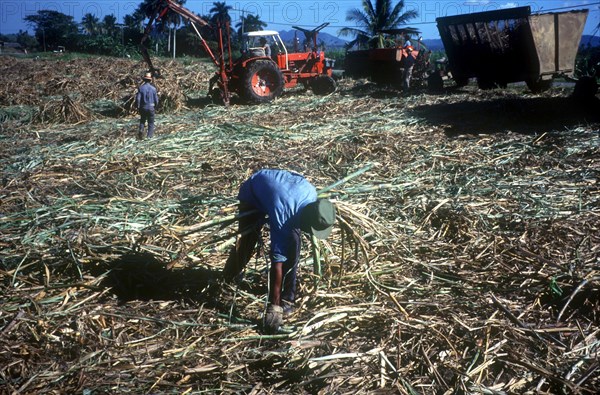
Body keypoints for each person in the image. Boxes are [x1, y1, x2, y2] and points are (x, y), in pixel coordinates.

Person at [223, 169, 336, 333]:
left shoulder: (311, 195)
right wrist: (274, 307)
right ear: (306, 220)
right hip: (254, 192)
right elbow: (277, 263)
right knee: (247, 243)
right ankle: (228, 276)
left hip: (279, 192)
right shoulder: (283, 217)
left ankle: (288, 298)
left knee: (294, 244)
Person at [136, 71, 159, 139]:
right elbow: (156, 100)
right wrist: (156, 107)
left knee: (142, 120)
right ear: (150, 80)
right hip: (151, 107)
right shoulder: (154, 89)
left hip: (143, 107)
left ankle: (141, 130)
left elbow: (138, 99)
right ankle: (149, 136)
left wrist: (138, 106)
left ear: (144, 80)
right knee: (151, 123)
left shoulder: (141, 88)